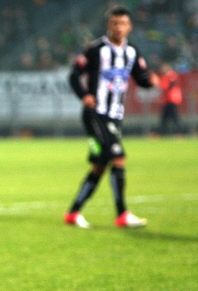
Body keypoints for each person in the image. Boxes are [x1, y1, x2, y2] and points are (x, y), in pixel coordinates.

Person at [64, 5, 160, 229]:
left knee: (99, 166)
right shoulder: (96, 49)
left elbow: (141, 78)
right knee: (118, 158)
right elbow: (74, 74)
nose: (119, 27)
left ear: (129, 26)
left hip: (115, 115)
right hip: (95, 114)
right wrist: (84, 95)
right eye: (115, 23)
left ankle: (73, 213)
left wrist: (151, 81)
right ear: (109, 25)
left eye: (123, 23)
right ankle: (122, 214)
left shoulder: (132, 52)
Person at [159, 62, 183, 135]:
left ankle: (179, 132)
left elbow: (166, 87)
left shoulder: (170, 75)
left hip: (171, 99)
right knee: (165, 117)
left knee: (173, 117)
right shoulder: (170, 75)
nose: (162, 70)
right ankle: (161, 133)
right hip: (169, 99)